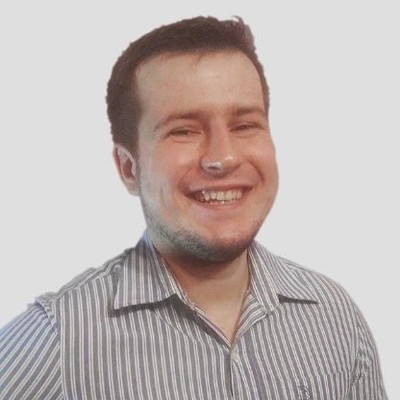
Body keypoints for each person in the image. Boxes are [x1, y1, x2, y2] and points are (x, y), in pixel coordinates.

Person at [0, 16, 387, 400]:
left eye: (245, 125)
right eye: (183, 130)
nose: (223, 158)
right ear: (128, 168)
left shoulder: (335, 317)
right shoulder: (57, 340)